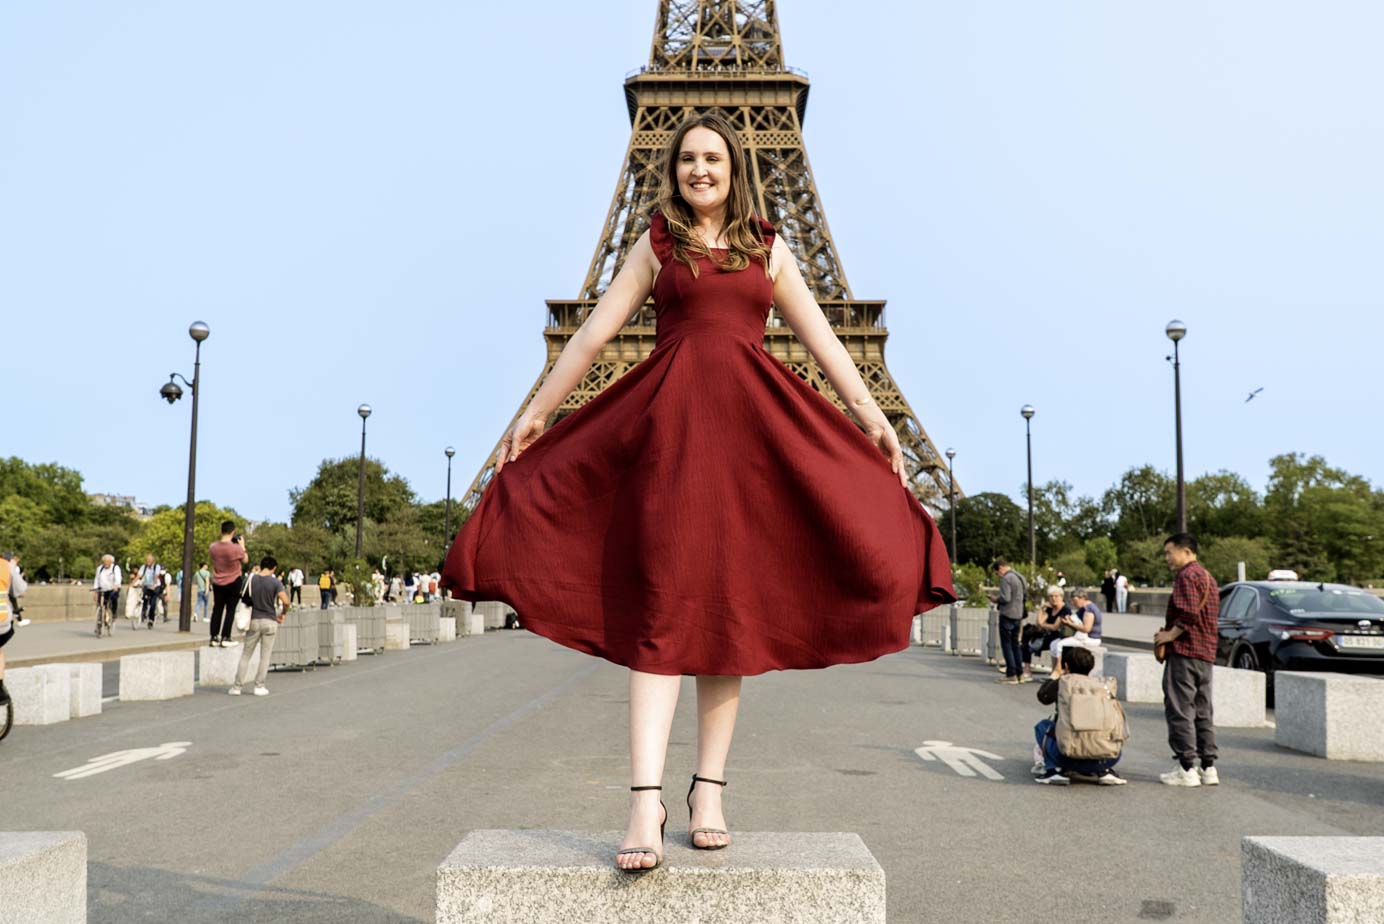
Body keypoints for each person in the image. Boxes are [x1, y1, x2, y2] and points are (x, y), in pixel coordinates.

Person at [437, 111, 955, 872]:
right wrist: (537, 414)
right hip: (670, 444)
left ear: (734, 166)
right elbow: (592, 336)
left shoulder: (769, 249)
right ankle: (643, 802)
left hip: (747, 448)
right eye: (687, 160)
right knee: (659, 613)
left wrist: (874, 418)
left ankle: (707, 790)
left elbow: (824, 341)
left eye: (712, 157)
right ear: (672, 170)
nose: (700, 169)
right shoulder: (657, 245)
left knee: (730, 619)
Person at [1154, 533, 1220, 787]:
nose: (1167, 558)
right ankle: (1208, 767)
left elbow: (1189, 612)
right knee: (1203, 711)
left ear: (1186, 551)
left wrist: (1169, 634)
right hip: (1206, 652)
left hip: (1185, 651)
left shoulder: (1186, 576)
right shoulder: (1208, 577)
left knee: (1180, 710)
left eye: (1169, 552)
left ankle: (1186, 768)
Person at [1031, 646, 1126, 785]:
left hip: (1067, 757)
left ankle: (1054, 770)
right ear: (1091, 667)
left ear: (1066, 666)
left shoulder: (1063, 683)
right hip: (1106, 757)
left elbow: (1042, 696)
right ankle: (1104, 771)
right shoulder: (1103, 685)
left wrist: (1056, 673)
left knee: (1043, 726)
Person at [229, 556, 290, 697]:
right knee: (265, 656)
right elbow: (286, 601)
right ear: (274, 568)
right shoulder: (275, 582)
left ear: (261, 566)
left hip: (254, 620)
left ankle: (237, 687)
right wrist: (283, 613)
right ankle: (259, 686)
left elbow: (241, 595)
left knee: (246, 654)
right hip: (270, 620)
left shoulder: (251, 579)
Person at [208, 521, 249, 647]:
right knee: (230, 610)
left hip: (218, 582)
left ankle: (214, 637)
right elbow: (245, 560)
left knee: (217, 609)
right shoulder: (236, 548)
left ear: (221, 531)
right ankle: (226, 636)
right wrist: (242, 546)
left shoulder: (213, 547)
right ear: (232, 532)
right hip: (233, 580)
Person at [1049, 589, 1103, 678]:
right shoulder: (1082, 608)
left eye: (1075, 601)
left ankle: (1059, 669)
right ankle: (1054, 669)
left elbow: (1086, 628)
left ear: (1083, 598)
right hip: (1081, 636)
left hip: (1090, 638)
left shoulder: (1089, 609)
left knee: (1060, 644)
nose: (1074, 604)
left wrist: (1070, 623)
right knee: (1053, 644)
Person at [990, 558, 1028, 684]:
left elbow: (1006, 598)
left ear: (1000, 567)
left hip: (1007, 614)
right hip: (1019, 614)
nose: (998, 575)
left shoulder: (1006, 579)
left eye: (997, 573)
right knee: (1015, 644)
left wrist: (996, 599)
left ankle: (1011, 673)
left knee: (1007, 645)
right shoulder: (1020, 577)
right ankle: (1020, 673)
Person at [1024, 586, 1068, 681]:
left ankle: (1055, 672)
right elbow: (1038, 623)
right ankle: (1027, 669)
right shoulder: (1050, 609)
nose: (1053, 598)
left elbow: (1055, 627)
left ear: (1061, 597)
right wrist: (1041, 608)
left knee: (1051, 644)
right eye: (1051, 596)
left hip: (1058, 637)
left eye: (1056, 596)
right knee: (1026, 638)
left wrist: (1043, 624)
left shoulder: (1065, 610)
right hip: (1048, 635)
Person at [136, 554, 164, 628]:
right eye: (147, 560)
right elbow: (139, 575)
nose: (148, 562)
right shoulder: (143, 567)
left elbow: (156, 576)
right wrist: (133, 583)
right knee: (143, 598)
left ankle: (151, 620)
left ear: (152, 561)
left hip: (155, 586)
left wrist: (154, 585)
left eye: (149, 560)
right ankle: (143, 611)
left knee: (152, 604)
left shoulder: (156, 567)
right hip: (146, 585)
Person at [5, 552, 29, 628]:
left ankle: (19, 618)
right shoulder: (13, 567)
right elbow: (15, 580)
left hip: (7, 588)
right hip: (9, 589)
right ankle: (18, 616)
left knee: (13, 605)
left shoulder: (6, 565)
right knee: (12, 605)